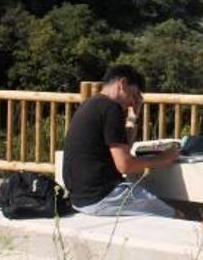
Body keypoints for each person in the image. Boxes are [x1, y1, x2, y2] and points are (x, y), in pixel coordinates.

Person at [63, 64, 178, 217]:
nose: (132, 102)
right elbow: (125, 165)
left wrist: (133, 116)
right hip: (104, 197)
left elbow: (125, 150)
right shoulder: (111, 109)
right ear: (122, 84)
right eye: (133, 95)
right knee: (176, 215)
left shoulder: (91, 104)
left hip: (80, 199)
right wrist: (164, 158)